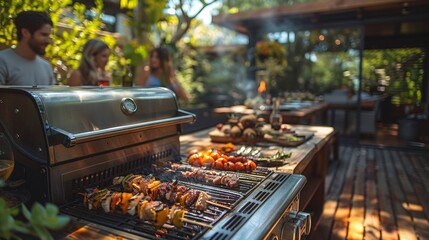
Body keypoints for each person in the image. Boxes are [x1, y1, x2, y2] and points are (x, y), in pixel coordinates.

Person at [0, 11, 54, 85]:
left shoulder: (46, 67)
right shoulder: (3, 62)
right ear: (25, 33)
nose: (48, 41)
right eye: (44, 35)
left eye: (49, 36)